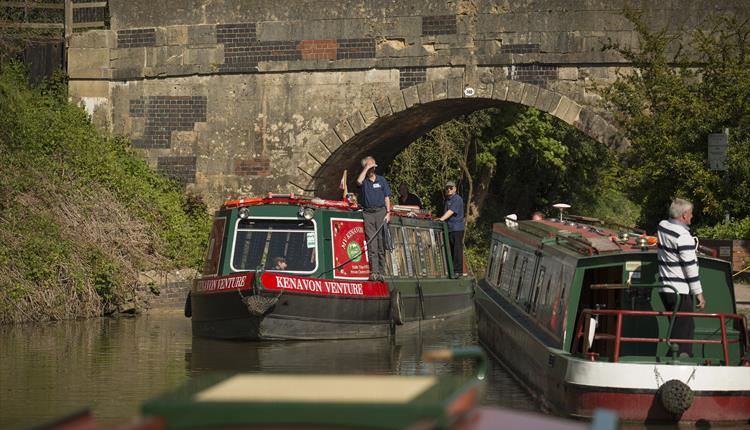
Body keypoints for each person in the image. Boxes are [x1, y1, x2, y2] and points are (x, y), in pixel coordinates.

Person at [657, 198, 706, 358]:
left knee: (682, 326)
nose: (692, 217)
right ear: (684, 215)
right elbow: (690, 267)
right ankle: (678, 362)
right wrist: (698, 292)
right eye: (691, 214)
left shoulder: (662, 227)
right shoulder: (683, 236)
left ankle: (677, 358)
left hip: (665, 288)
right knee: (683, 333)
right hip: (680, 292)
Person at [356, 156, 392, 281]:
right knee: (372, 242)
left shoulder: (381, 180)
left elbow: (387, 197)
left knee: (381, 243)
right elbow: (359, 181)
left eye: (373, 166)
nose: (373, 169)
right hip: (368, 214)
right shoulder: (364, 182)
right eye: (370, 166)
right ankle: (374, 271)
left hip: (381, 212)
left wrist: (388, 212)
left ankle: (382, 272)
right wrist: (366, 168)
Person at [439, 180, 465, 278]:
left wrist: (441, 219)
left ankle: (458, 271)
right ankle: (451, 270)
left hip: (457, 228)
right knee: (451, 250)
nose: (449, 189)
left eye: (451, 188)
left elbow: (450, 212)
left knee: (457, 250)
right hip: (449, 228)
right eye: (447, 188)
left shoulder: (457, 199)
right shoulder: (447, 200)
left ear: (455, 189)